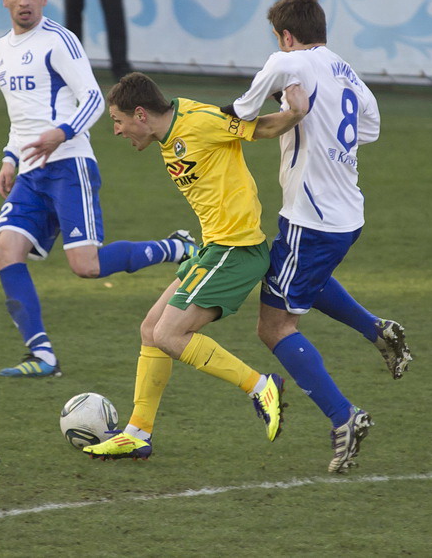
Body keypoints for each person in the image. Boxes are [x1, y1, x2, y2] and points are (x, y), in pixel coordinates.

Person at [223, 0, 412, 473]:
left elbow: (240, 111)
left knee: (274, 326)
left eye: (279, 42)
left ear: (287, 36)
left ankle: (344, 416)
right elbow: (369, 127)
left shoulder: (291, 63)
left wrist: (275, 100)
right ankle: (377, 330)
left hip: (311, 218)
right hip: (347, 217)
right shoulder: (345, 71)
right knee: (297, 276)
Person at [82, 72, 309, 460]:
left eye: (117, 121)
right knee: (151, 329)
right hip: (214, 249)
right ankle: (137, 432)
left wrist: (295, 112)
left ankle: (261, 387)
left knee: (171, 334)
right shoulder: (171, 131)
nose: (117, 131)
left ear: (140, 114)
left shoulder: (199, 122)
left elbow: (261, 130)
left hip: (236, 250)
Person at [0, 0, 198, 379]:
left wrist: (61, 133)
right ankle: (42, 355)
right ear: (5, 0)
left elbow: (92, 99)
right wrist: (10, 158)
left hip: (69, 164)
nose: (24, 3)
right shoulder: (1, 50)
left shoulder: (59, 41)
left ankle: (175, 247)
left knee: (85, 266)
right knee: (4, 252)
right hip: (31, 170)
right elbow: (22, 118)